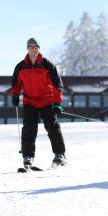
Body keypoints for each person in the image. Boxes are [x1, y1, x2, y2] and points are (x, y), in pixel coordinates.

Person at [11, 38, 67, 168]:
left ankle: (60, 154)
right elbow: (16, 84)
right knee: (29, 128)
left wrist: (57, 102)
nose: (33, 49)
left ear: (38, 48)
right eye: (30, 47)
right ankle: (28, 157)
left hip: (47, 100)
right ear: (27, 49)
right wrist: (15, 95)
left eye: (35, 47)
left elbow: (57, 85)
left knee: (52, 126)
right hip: (30, 101)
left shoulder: (47, 65)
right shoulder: (20, 67)